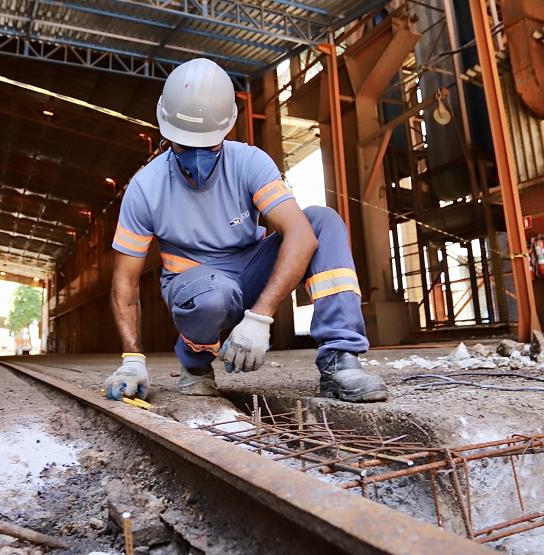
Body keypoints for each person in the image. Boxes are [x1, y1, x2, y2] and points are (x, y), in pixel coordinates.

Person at [104, 58, 387, 403]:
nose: (195, 157)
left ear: (226, 129)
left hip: (250, 268)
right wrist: (132, 359)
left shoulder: (249, 162)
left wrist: (260, 317)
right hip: (195, 282)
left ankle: (340, 359)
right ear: (166, 131)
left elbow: (300, 234)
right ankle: (195, 363)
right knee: (213, 294)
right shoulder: (146, 188)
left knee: (321, 221)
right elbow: (125, 281)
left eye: (206, 144)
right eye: (184, 144)